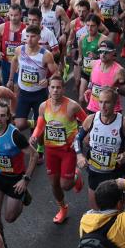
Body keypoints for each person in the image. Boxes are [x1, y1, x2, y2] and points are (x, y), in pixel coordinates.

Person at [32, 74, 88, 225]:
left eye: (58, 87)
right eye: (53, 87)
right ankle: (63, 208)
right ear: (48, 88)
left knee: (66, 185)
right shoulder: (43, 106)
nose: (55, 90)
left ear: (63, 89)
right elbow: (40, 124)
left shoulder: (72, 106)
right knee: (54, 184)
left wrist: (80, 139)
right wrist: (34, 135)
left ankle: (76, 176)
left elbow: (87, 122)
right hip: (51, 150)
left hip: (67, 150)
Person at [0, 101, 36, 225]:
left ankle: (23, 194)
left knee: (9, 218)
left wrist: (25, 179)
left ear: (7, 117)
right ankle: (0, 242)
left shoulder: (15, 135)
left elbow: (34, 155)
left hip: (15, 179)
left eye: (2, 115)